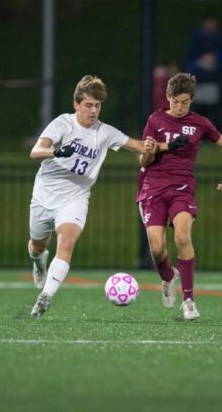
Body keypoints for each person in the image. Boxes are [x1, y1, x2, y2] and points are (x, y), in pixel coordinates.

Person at [28, 75, 165, 318]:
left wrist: (161, 144)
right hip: (44, 194)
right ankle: (38, 263)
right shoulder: (63, 124)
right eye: (89, 105)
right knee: (38, 244)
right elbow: (35, 151)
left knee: (67, 241)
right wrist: (57, 151)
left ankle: (46, 296)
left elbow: (138, 145)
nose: (93, 111)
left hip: (75, 197)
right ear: (76, 105)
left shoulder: (105, 132)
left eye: (98, 105)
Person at [137, 72, 222, 320]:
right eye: (176, 101)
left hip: (182, 188)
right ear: (168, 97)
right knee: (157, 248)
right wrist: (152, 151)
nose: (180, 106)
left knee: (183, 237)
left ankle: (189, 301)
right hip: (152, 188)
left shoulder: (200, 123)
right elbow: (143, 159)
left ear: (191, 100)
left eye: (185, 101)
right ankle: (168, 277)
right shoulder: (156, 120)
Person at [186, 14, 222, 133]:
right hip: (201, 81)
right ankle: (199, 135)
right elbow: (190, 59)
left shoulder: (219, 38)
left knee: (215, 111)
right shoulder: (198, 39)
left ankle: (214, 136)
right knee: (200, 110)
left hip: (214, 81)